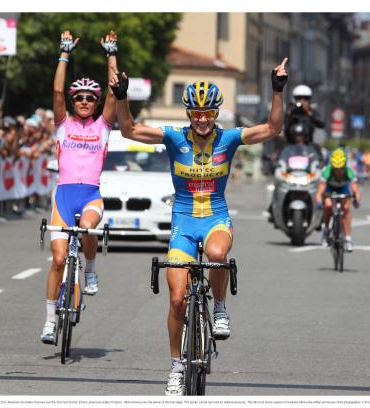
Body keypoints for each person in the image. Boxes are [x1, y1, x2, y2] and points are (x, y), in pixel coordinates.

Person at [110, 58, 289, 395]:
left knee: (217, 253)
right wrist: (122, 98)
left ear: (216, 113)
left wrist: (277, 91)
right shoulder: (174, 138)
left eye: (209, 112)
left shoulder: (230, 138)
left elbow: (272, 129)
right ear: (188, 113)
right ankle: (176, 366)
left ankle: (219, 308)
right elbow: (130, 130)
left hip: (216, 218)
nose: (203, 118)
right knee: (177, 299)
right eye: (197, 112)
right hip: (183, 221)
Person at [41, 30, 120, 345]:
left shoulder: (102, 126)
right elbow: (57, 90)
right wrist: (64, 53)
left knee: (87, 230)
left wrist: (111, 53)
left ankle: (89, 269)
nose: (85, 101)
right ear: (74, 102)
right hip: (63, 196)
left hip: (90, 195)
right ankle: (49, 322)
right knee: (58, 260)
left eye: (90, 98)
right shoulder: (64, 125)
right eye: (80, 97)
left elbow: (116, 91)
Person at [315, 148, 361, 252]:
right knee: (328, 205)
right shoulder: (326, 171)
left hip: (343, 189)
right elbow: (319, 193)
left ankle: (348, 238)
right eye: (336, 168)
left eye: (341, 168)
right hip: (329, 189)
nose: (338, 171)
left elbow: (355, 191)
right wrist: (319, 203)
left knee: (346, 208)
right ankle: (326, 230)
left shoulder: (349, 172)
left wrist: (357, 200)